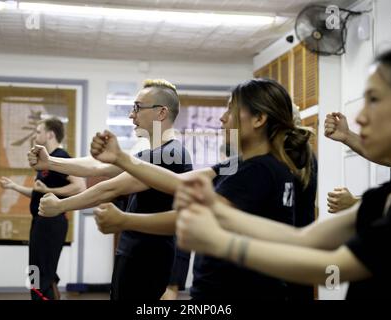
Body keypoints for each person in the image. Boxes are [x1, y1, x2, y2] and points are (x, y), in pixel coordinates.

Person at [174, 47, 391, 299]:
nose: (360, 117)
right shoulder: (383, 197)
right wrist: (216, 211)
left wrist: (222, 242)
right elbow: (305, 239)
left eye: (374, 99)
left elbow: (333, 267)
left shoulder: (263, 167)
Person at [90, 78, 315, 300]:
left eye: (231, 109)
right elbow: (180, 181)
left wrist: (125, 220)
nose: (223, 117)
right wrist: (122, 159)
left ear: (258, 119)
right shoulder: (247, 165)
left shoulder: (259, 171)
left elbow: (196, 218)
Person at [31, 79, 193, 300]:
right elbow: (99, 166)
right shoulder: (154, 153)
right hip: (135, 251)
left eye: (138, 107)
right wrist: (50, 162)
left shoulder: (171, 154)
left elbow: (110, 189)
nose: (131, 115)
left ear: (161, 113)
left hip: (148, 256)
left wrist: (61, 205)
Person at [0, 117, 86, 300]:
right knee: (36, 271)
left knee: (42, 274)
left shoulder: (60, 158)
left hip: (52, 222)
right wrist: (13, 186)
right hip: (40, 221)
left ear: (50, 134)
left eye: (38, 131)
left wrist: (49, 190)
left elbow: (79, 186)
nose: (35, 135)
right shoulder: (46, 161)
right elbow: (39, 193)